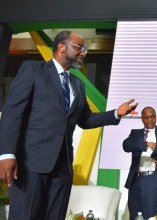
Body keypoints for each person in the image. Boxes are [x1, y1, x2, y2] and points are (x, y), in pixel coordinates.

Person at [0, 30, 138, 220]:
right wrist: (7, 154)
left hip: (62, 169)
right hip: (30, 165)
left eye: (85, 50)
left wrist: (115, 114)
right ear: (61, 47)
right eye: (79, 47)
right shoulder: (33, 70)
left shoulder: (78, 85)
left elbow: (85, 120)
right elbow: (12, 113)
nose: (83, 53)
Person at [123, 106, 157, 220]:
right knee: (134, 216)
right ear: (142, 119)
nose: (150, 120)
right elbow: (126, 146)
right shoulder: (135, 133)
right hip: (135, 180)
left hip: (153, 179)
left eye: (153, 117)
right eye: (147, 117)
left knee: (150, 216)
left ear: (156, 118)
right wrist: (146, 144)